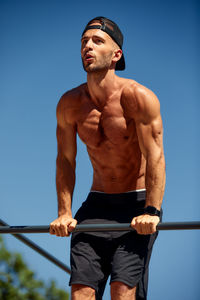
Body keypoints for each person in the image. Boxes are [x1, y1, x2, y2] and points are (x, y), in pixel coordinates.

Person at [50, 16, 166, 300]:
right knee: (81, 293)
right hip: (96, 205)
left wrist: (152, 211)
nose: (87, 46)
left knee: (122, 291)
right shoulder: (70, 103)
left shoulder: (138, 97)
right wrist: (64, 212)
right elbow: (66, 159)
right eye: (84, 42)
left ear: (116, 54)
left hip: (136, 205)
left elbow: (155, 156)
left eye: (97, 41)